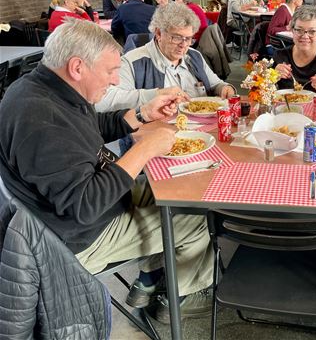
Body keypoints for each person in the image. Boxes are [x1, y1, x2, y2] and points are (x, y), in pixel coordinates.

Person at [0, 18, 215, 324]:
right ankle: (181, 299)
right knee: (197, 217)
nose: (116, 80)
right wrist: (144, 149)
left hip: (92, 203)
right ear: (77, 67)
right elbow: (84, 205)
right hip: (75, 239)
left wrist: (141, 114)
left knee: (179, 190)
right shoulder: (39, 119)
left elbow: (89, 127)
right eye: (111, 71)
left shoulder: (47, 88)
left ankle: (150, 277)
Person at [97, 2, 235, 112]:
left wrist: (225, 88)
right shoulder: (133, 61)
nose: (184, 45)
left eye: (188, 39)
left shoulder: (194, 56)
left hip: (202, 133)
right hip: (156, 138)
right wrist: (156, 94)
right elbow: (103, 101)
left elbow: (215, 84)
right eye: (177, 38)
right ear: (158, 33)